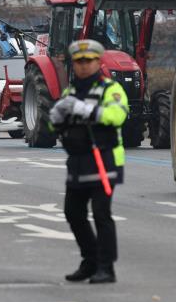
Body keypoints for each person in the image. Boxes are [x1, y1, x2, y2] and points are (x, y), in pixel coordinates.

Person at [49, 39, 128, 284]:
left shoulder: (110, 88)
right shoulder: (69, 92)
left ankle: (106, 267)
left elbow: (118, 115)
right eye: (79, 62)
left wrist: (85, 110)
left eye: (88, 61)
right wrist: (57, 114)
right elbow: (55, 125)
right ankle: (90, 260)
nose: (83, 66)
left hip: (104, 160)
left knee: (102, 214)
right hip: (78, 161)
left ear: (98, 62)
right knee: (73, 212)